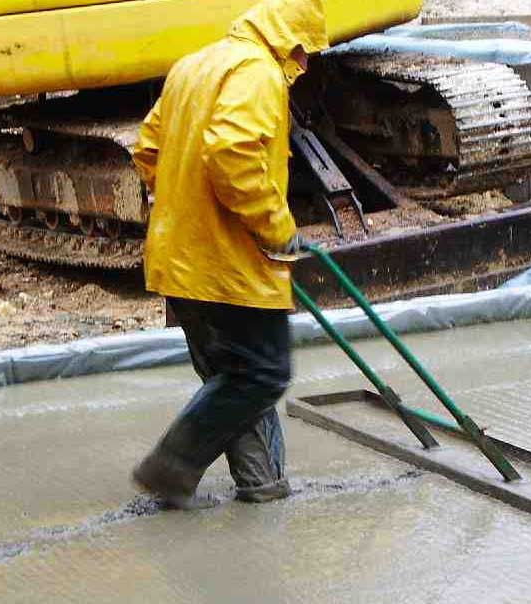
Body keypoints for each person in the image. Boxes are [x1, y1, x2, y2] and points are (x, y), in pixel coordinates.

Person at [129, 0, 328, 510]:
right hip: (230, 267)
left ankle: (262, 486)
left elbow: (147, 149)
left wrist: (187, 204)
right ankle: (171, 464)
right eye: (306, 52)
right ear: (291, 41)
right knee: (263, 374)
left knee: (235, 379)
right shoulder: (259, 73)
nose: (305, 65)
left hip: (180, 261)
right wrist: (277, 229)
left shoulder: (194, 65)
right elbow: (231, 152)